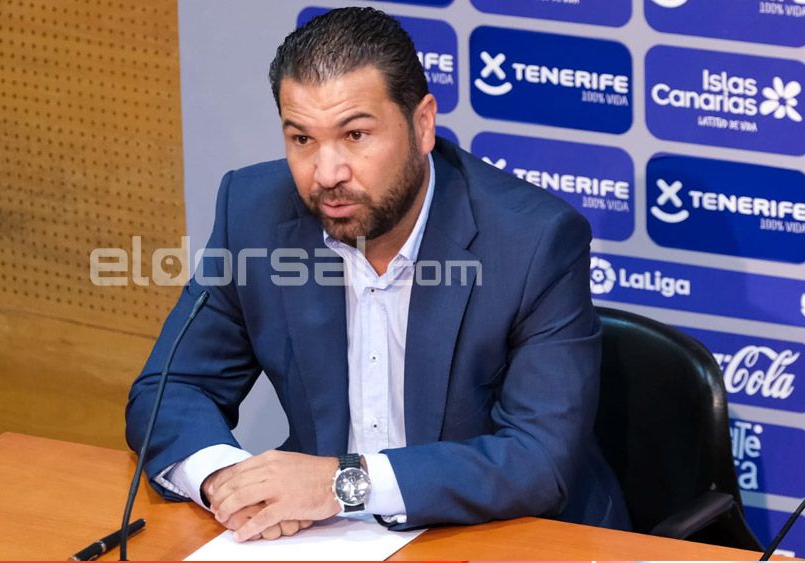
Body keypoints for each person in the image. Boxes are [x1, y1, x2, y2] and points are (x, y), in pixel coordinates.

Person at [126, 6, 630, 542]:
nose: (327, 173)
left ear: (422, 124)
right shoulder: (253, 213)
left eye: (356, 135)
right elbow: (169, 389)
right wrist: (226, 480)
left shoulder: (532, 242)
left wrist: (345, 484)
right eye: (302, 140)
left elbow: (538, 459)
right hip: (325, 540)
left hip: (509, 538)